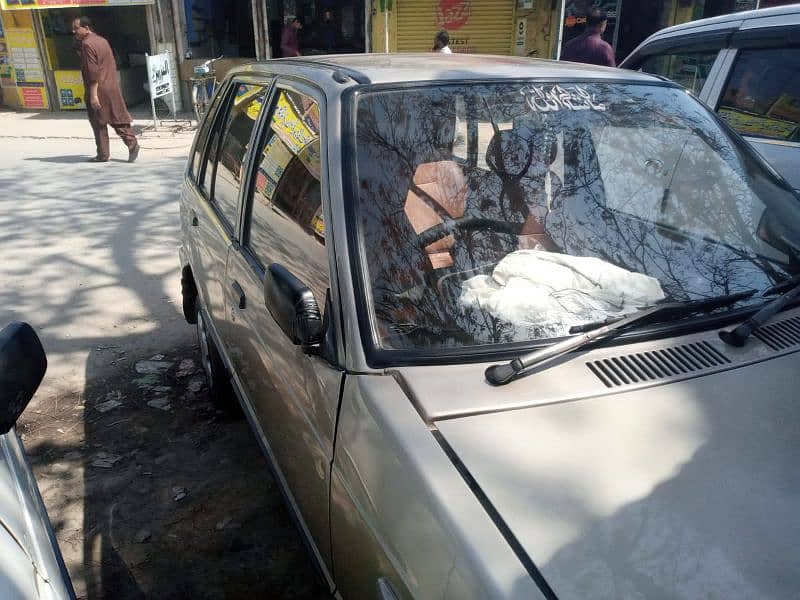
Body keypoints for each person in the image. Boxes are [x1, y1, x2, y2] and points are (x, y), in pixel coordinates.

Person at [72, 16, 139, 163]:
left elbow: (92, 72)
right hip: (111, 86)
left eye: (77, 28)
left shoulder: (87, 44)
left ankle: (103, 154)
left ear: (87, 28)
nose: (74, 31)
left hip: (99, 89)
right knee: (117, 118)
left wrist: (93, 94)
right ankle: (131, 143)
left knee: (98, 122)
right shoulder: (102, 40)